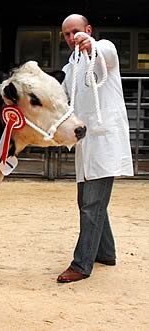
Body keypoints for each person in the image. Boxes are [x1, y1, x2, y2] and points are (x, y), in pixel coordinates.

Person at [57, 14, 134, 283]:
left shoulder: (105, 50)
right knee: (89, 202)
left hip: (104, 143)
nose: (71, 38)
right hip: (85, 144)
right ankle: (106, 252)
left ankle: (81, 264)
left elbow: (107, 51)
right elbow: (63, 96)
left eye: (75, 31)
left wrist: (90, 44)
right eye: (66, 34)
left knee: (91, 204)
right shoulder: (71, 67)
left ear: (88, 30)